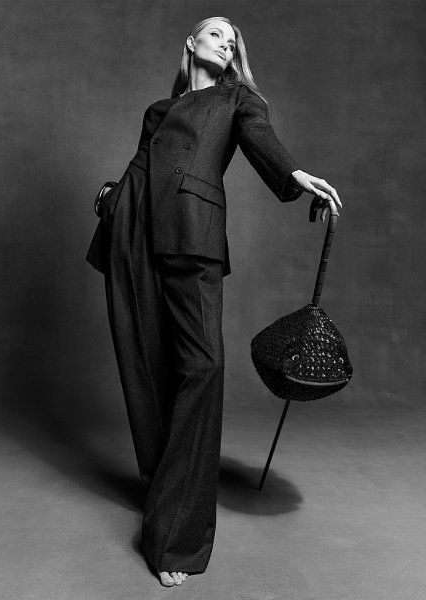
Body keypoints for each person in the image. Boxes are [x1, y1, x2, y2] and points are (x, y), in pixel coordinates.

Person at [86, 16, 342, 587]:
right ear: (191, 42)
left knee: (201, 367)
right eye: (217, 33)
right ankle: (163, 488)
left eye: (233, 40)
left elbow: (260, 138)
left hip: (194, 234)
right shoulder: (159, 110)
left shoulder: (237, 99)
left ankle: (176, 535)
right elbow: (141, 169)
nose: (227, 43)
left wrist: (294, 174)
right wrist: (110, 199)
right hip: (137, 236)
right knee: (146, 361)